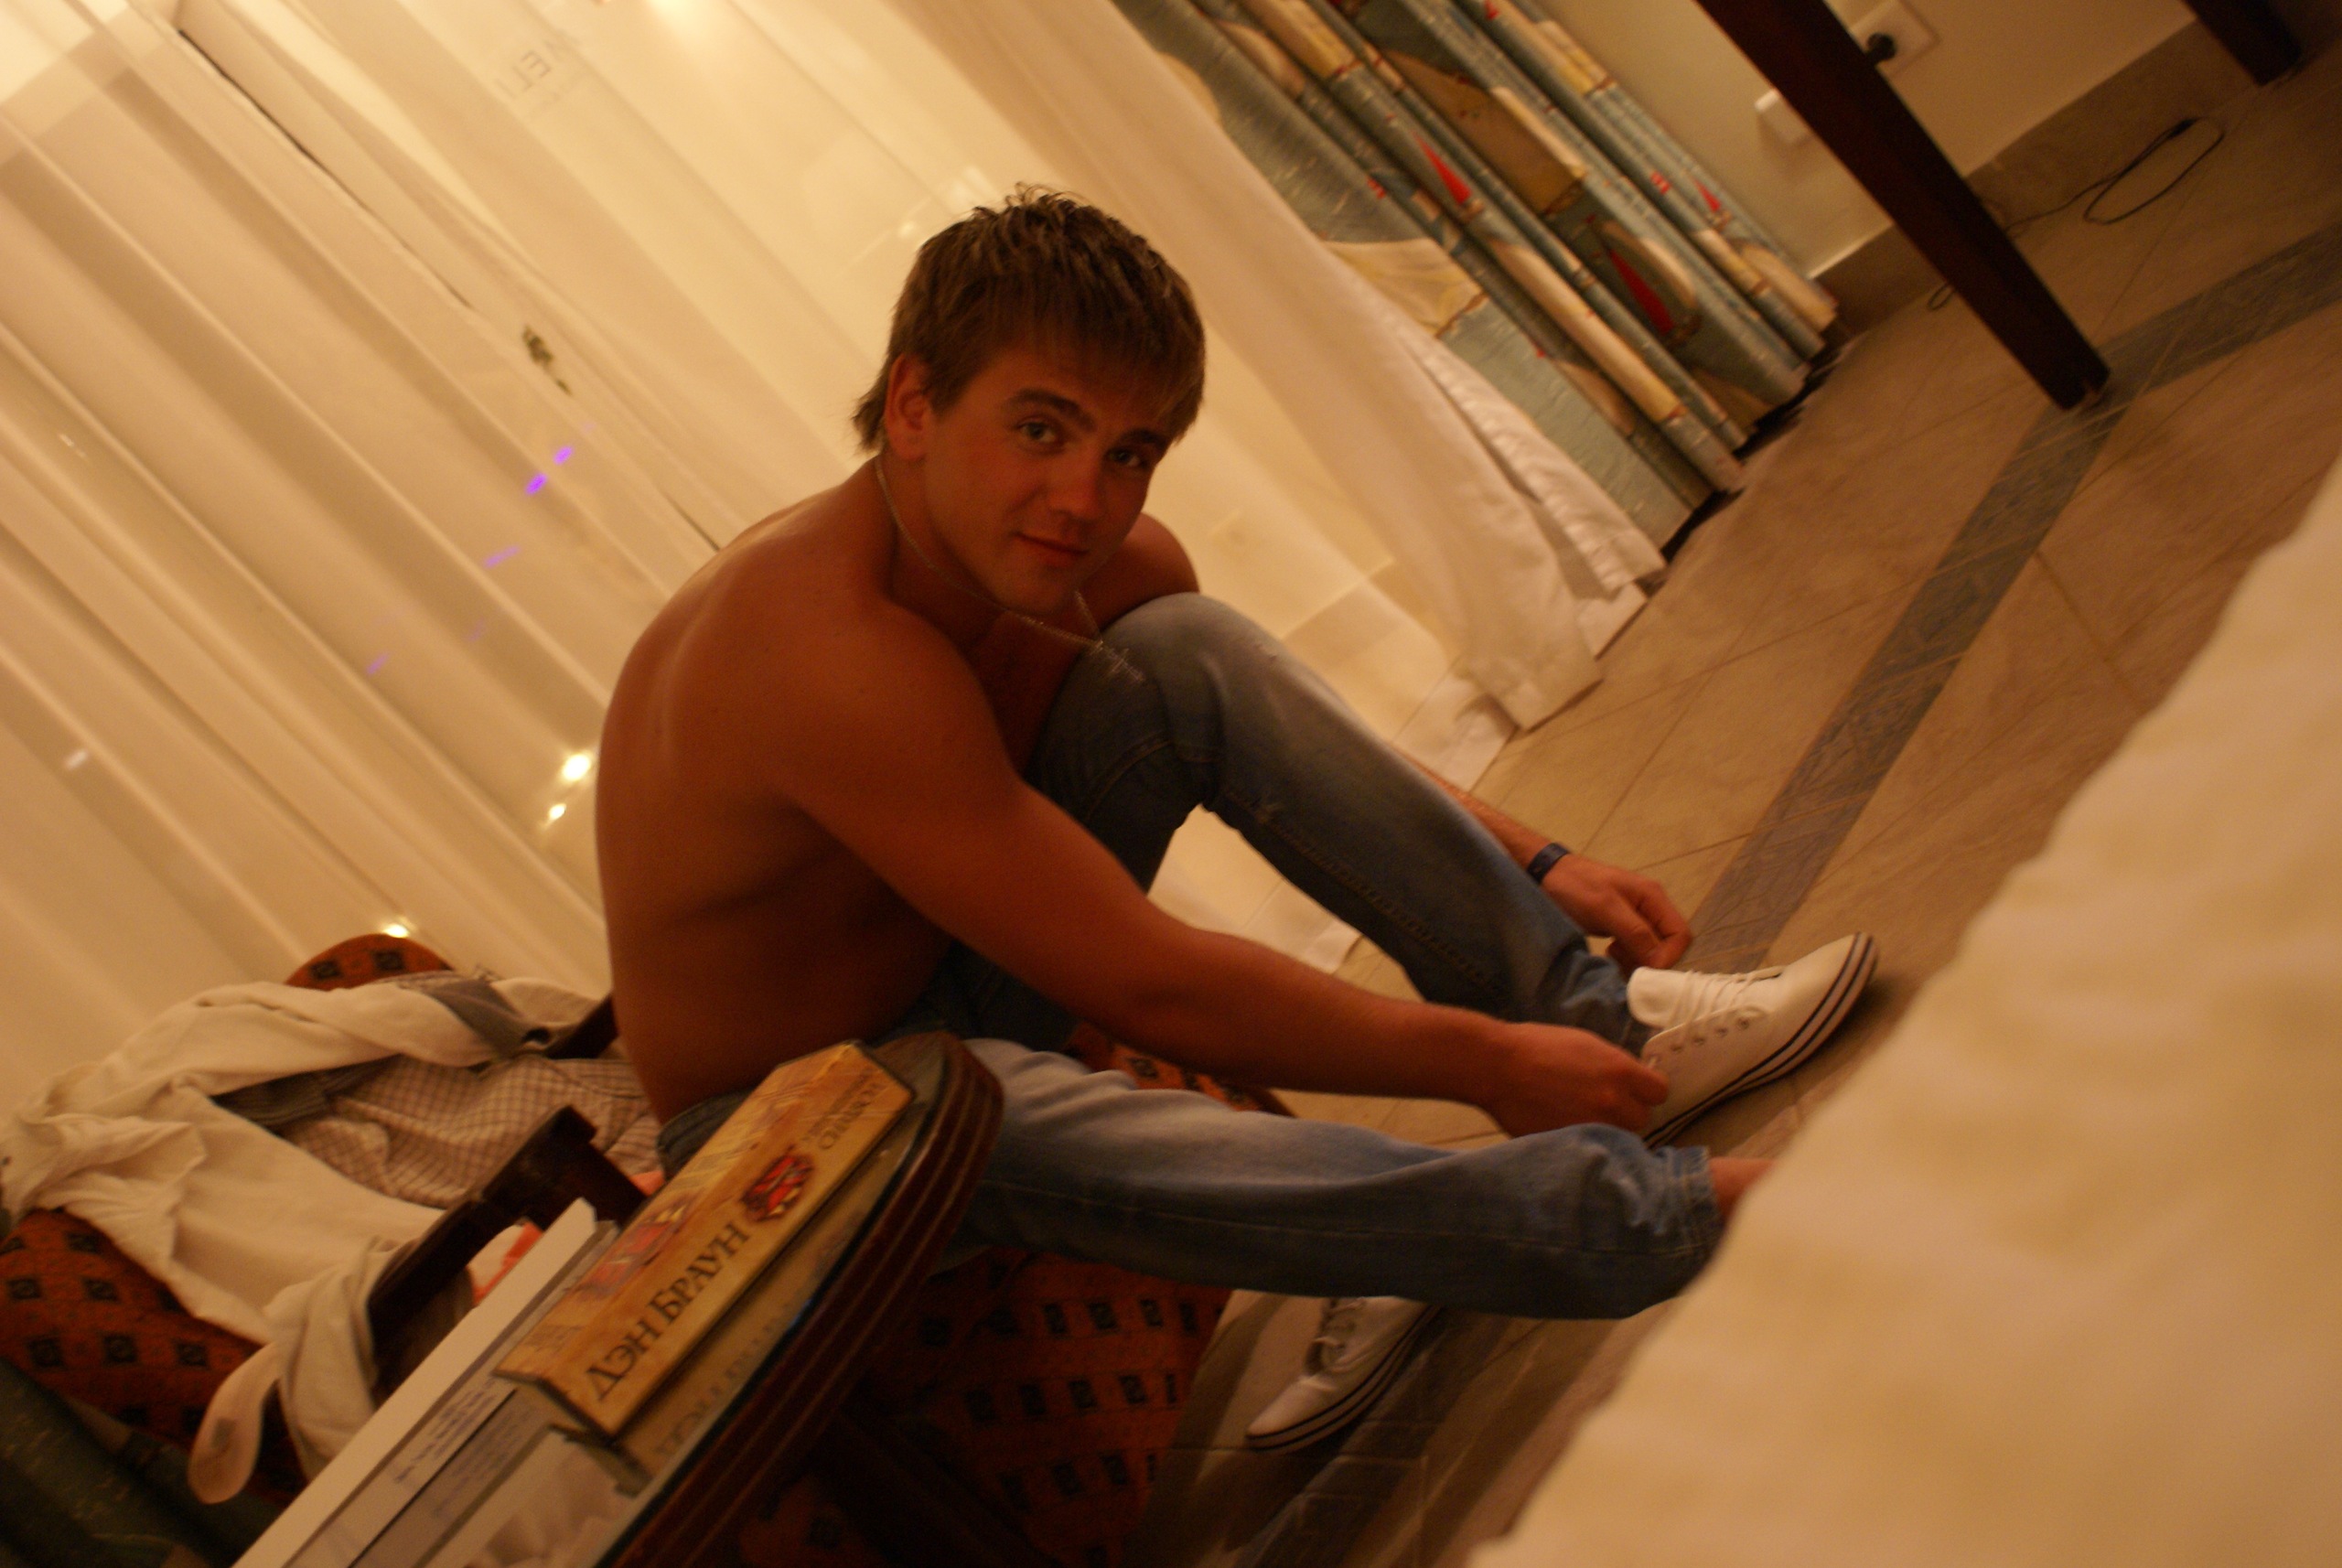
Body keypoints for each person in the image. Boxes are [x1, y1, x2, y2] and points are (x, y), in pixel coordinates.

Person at [595, 189, 1875, 1448]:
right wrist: (1480, 1063)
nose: (1083, 497)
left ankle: (1601, 1029)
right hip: (782, 1133)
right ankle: (1651, 1214)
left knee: (1181, 647)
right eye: (1039, 429)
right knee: (954, 1094)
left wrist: (1541, 859)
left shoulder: (1082, 558)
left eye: (1129, 451)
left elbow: (1290, 740)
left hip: (949, 984)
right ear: (915, 404)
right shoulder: (821, 648)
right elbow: (1152, 983)